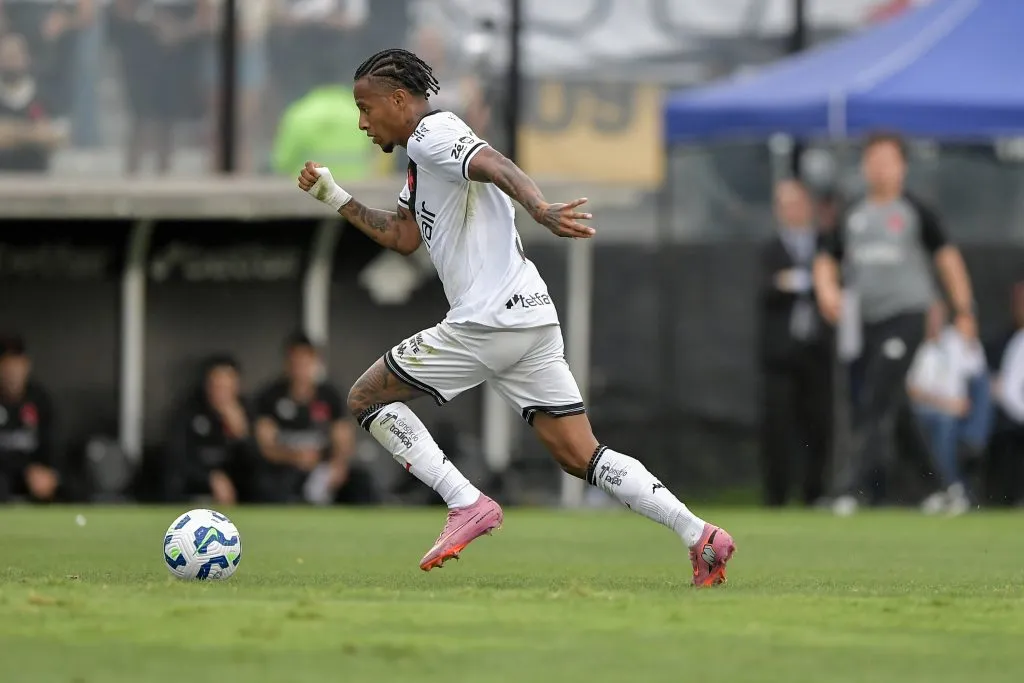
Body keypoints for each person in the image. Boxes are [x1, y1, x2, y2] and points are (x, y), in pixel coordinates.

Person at [297, 48, 734, 585]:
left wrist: (541, 209)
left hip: (489, 319)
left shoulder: (434, 133)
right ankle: (701, 536)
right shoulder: (420, 160)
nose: (362, 122)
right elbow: (403, 237)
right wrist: (333, 194)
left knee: (365, 397)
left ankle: (465, 502)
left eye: (366, 108)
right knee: (581, 456)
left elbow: (496, 164)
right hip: (528, 318)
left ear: (398, 99)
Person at [813, 132, 977, 516]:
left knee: (874, 397)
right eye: (873, 159)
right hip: (868, 323)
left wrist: (965, 310)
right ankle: (944, 488)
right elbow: (826, 257)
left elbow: (948, 261)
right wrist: (827, 291)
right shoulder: (853, 212)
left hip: (907, 317)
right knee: (895, 405)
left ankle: (849, 489)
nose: (880, 168)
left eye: (888, 159)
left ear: (902, 165)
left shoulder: (917, 209)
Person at [757, 179, 833, 507]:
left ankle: (813, 493)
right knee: (777, 428)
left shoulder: (824, 246)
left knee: (818, 426)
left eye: (796, 203)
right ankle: (776, 496)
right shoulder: (769, 248)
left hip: (816, 351)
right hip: (780, 355)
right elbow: (765, 289)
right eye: (784, 204)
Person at [254, 332, 378, 505]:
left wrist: (336, 466)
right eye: (295, 362)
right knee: (267, 485)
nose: (300, 369)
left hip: (323, 468)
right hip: (285, 468)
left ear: (315, 362)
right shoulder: (269, 396)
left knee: (361, 481)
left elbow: (343, 439)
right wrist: (294, 457)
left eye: (305, 362)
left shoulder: (330, 396)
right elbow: (266, 446)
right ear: (286, 363)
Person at [906, 301, 987, 515]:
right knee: (938, 421)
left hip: (956, 411)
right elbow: (912, 390)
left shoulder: (957, 342)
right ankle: (949, 487)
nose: (934, 321)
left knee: (947, 423)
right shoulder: (918, 345)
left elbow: (977, 372)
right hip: (923, 411)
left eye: (937, 315)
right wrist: (944, 403)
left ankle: (947, 488)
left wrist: (971, 339)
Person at [165, 355, 257, 505]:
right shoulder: (189, 410)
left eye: (226, 387)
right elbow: (176, 456)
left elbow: (256, 462)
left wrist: (242, 434)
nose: (221, 393)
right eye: (217, 385)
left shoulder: (247, 411)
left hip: (236, 486)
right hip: (196, 481)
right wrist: (209, 477)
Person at [0, 335, 60, 502]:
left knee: (63, 485)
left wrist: (48, 472)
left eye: (18, 366)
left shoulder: (40, 400)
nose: (13, 373)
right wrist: (23, 469)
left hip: (33, 476)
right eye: (8, 366)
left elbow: (52, 443)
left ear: (27, 365)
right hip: (5, 475)